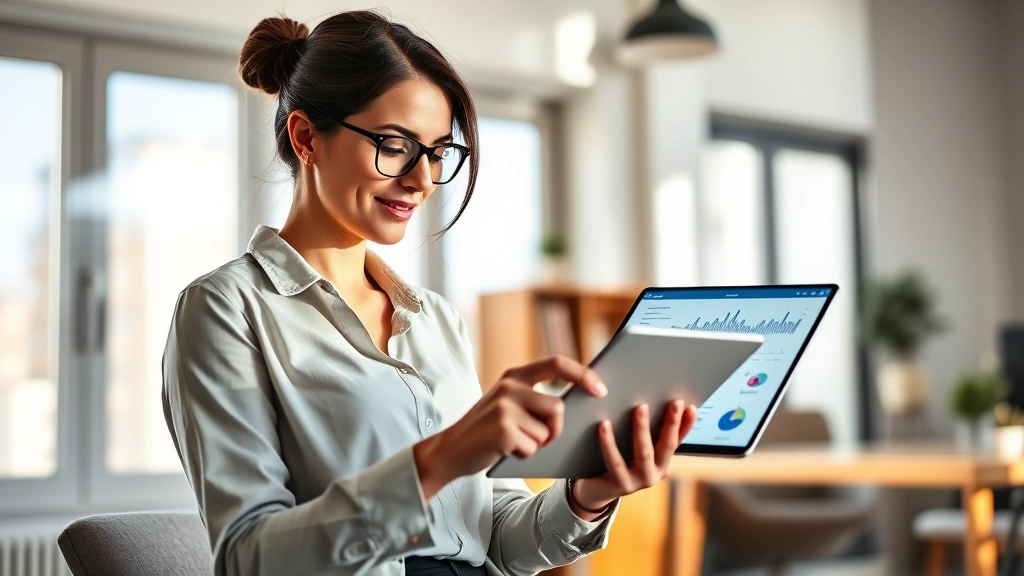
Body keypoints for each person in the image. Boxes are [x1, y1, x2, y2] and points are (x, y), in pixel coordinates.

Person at [161, 10, 698, 576]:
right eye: (395, 146)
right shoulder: (226, 309)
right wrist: (440, 459)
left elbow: (488, 539)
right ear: (305, 137)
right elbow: (251, 560)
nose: (421, 179)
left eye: (439, 152)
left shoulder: (436, 319)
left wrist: (585, 495)